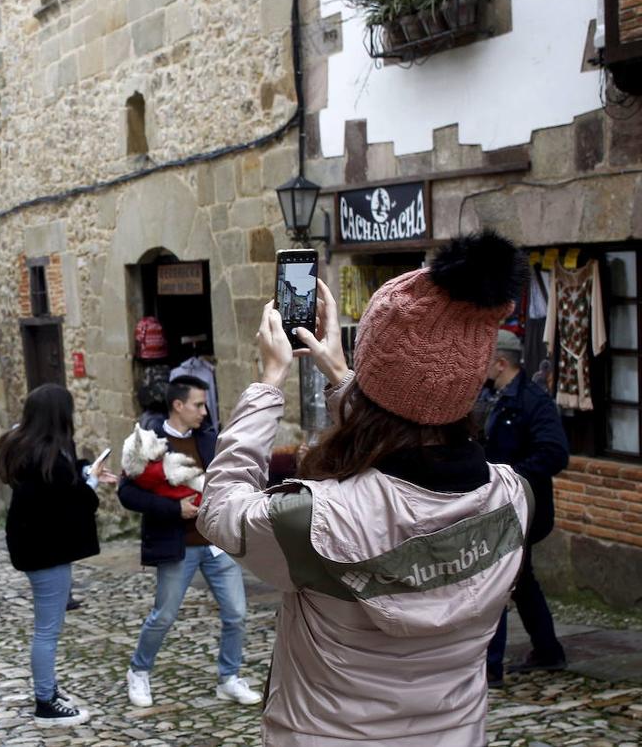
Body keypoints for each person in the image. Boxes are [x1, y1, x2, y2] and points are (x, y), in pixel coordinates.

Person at [197, 231, 534, 745]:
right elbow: (416, 415)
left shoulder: (314, 520)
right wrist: (342, 373)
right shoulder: (513, 501)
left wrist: (268, 384)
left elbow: (220, 510)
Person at [120, 376, 261, 708]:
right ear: (178, 405)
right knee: (164, 615)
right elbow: (126, 493)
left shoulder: (209, 439)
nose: (204, 410)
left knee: (236, 613)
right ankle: (138, 671)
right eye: (198, 404)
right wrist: (173, 508)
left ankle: (228, 678)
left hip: (215, 542)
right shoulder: (148, 443)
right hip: (177, 545)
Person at [0, 384, 117, 727]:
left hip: (39, 546)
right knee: (47, 629)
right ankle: (45, 702)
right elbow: (70, 501)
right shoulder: (41, 455)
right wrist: (90, 483)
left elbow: (65, 479)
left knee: (50, 626)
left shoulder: (37, 447)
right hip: (43, 550)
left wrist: (83, 472)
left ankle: (48, 688)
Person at [480, 329, 570, 686]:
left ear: (500, 362)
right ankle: (548, 651)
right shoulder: (491, 394)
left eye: (486, 360)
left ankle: (490, 667)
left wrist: (509, 476)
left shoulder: (534, 401)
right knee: (521, 580)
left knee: (497, 579)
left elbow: (554, 453)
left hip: (521, 506)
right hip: (495, 504)